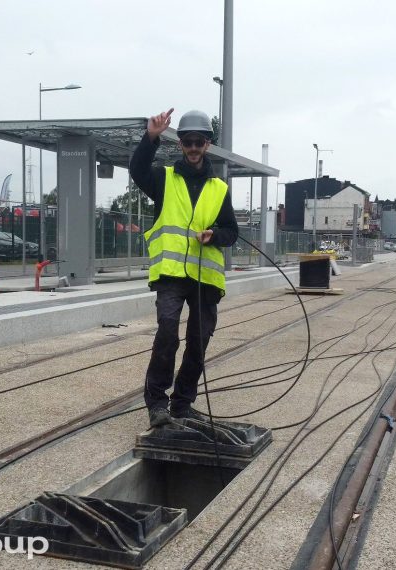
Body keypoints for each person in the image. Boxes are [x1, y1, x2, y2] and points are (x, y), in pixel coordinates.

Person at [130, 108, 239, 428]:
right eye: (188, 141)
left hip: (206, 276)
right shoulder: (164, 179)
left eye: (199, 142)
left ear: (208, 144)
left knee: (199, 339)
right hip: (171, 274)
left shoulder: (219, 189)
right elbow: (137, 171)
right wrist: (150, 137)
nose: (193, 147)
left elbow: (231, 231)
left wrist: (215, 235)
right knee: (167, 331)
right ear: (180, 144)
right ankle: (157, 403)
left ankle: (182, 403)